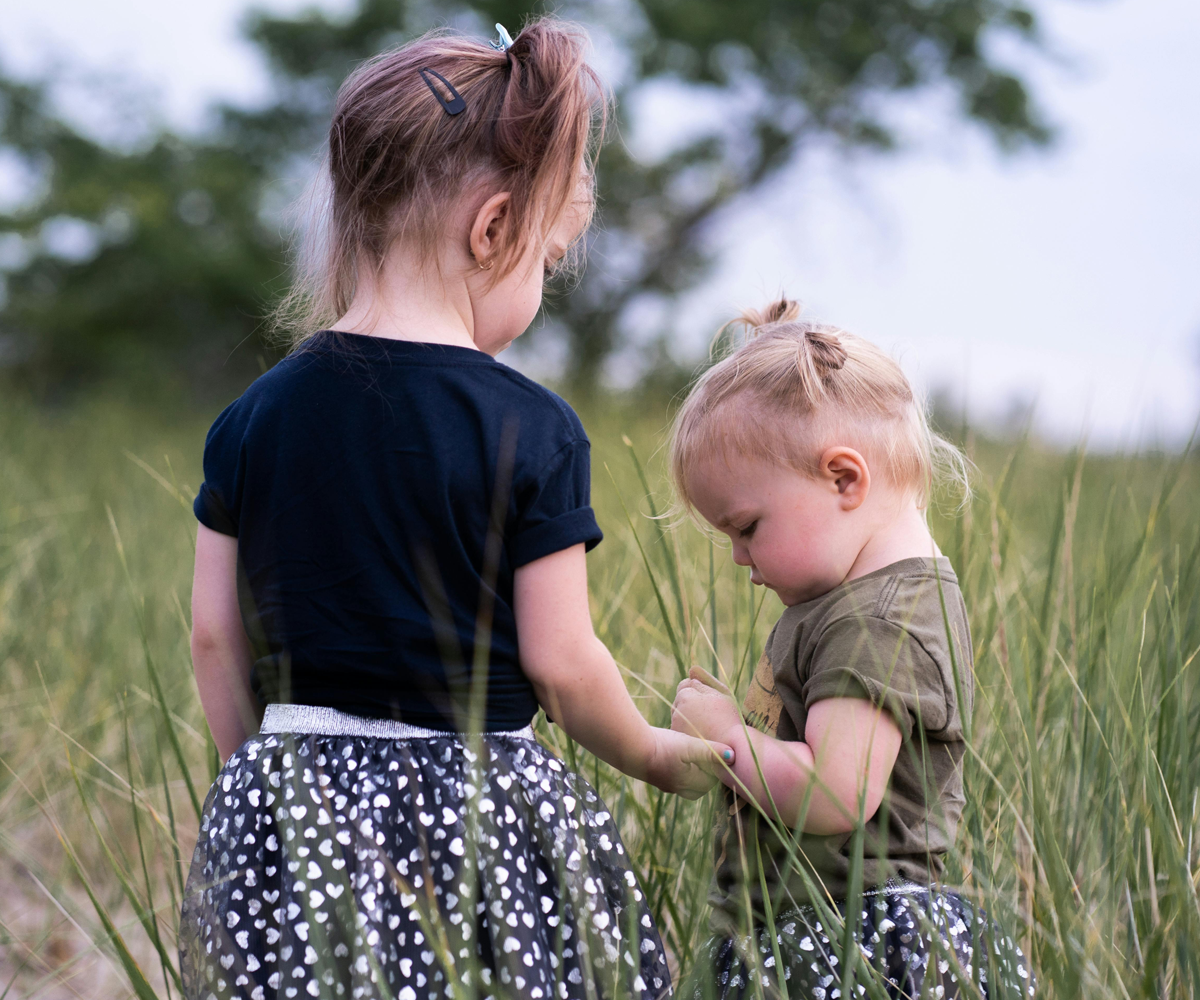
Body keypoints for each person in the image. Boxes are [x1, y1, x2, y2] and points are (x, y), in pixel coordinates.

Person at [179, 19, 732, 1000]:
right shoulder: (534, 426)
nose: (541, 287)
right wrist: (649, 750)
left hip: (292, 789)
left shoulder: (249, 418)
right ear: (492, 229)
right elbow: (562, 663)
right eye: (546, 261)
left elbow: (215, 639)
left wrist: (260, 784)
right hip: (476, 808)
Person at [668, 300, 1034, 999]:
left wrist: (725, 742)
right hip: (807, 932)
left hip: (855, 943)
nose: (739, 558)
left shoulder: (884, 620)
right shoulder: (843, 603)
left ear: (844, 479)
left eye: (746, 527)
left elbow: (836, 794)